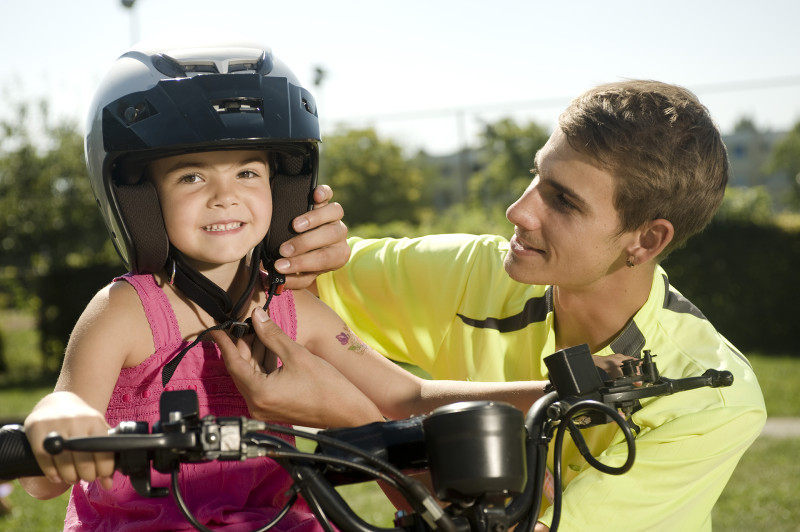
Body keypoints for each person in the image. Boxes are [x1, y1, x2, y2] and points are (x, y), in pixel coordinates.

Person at [20, 36, 557, 532]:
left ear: (285, 190)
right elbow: (43, 470)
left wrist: (550, 391)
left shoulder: (294, 312)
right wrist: (58, 420)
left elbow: (405, 395)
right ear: (139, 202)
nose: (225, 196)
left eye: (248, 173)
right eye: (192, 176)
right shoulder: (127, 311)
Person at [309, 80, 767, 531]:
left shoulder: (712, 398)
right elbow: (295, 285)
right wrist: (306, 242)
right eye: (537, 176)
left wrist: (360, 420)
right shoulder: (475, 272)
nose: (519, 211)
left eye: (564, 201)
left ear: (646, 239)